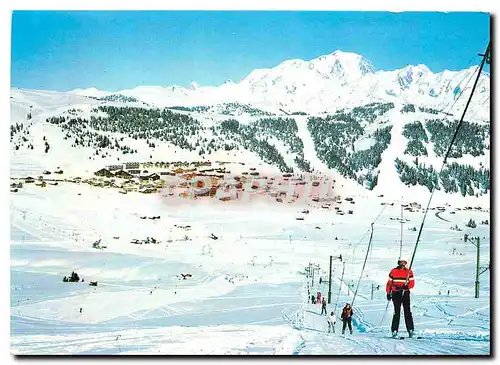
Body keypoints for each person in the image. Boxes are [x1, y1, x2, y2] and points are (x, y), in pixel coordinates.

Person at [386, 259, 415, 338]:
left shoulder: (409, 272)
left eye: (404, 262)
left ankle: (410, 330)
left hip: (405, 293)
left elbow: (412, 283)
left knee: (407, 311)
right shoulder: (393, 271)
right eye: (401, 262)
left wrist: (407, 286)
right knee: (397, 311)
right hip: (396, 293)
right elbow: (389, 283)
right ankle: (394, 330)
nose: (402, 264)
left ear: (405, 263)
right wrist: (388, 292)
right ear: (398, 263)